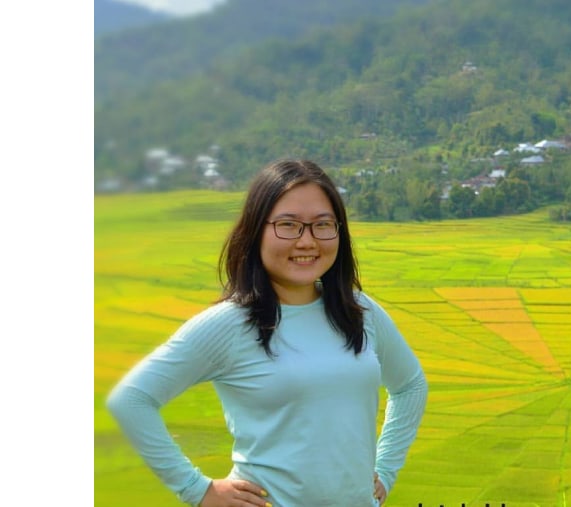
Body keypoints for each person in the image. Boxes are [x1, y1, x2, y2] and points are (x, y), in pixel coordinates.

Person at [106, 158, 428, 507]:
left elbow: (410, 386)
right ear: (255, 231)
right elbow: (132, 399)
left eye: (322, 225)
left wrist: (386, 469)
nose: (307, 241)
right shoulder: (230, 323)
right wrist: (196, 489)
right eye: (288, 225)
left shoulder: (358, 310)